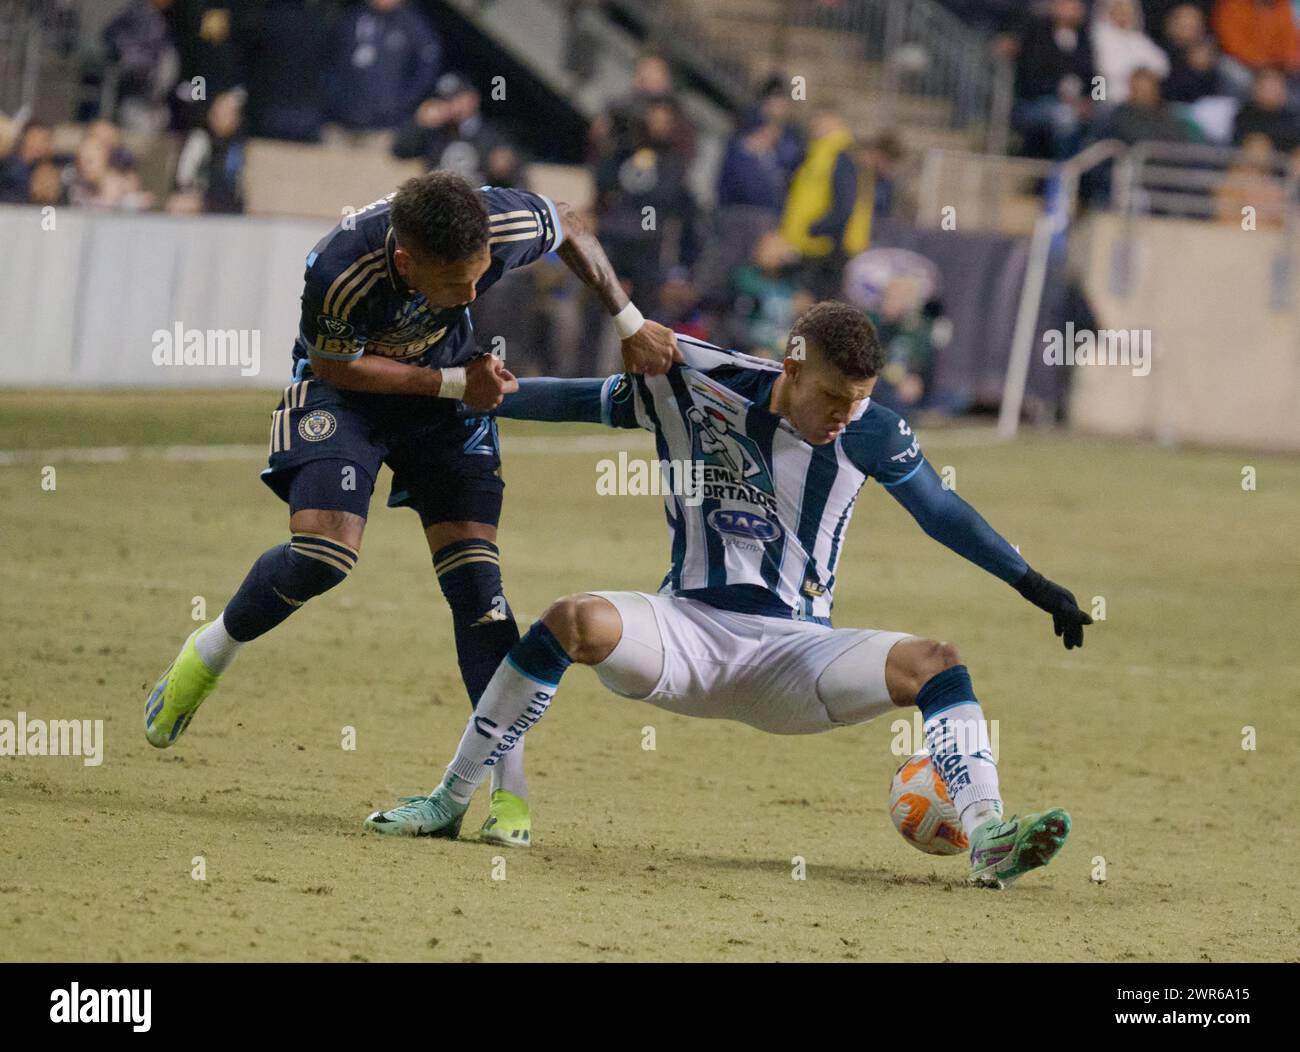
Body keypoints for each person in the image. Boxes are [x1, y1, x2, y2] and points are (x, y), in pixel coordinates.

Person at [364, 303, 1091, 891]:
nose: (845, 414)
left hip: (799, 659)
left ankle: (989, 834)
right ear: (792, 365)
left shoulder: (873, 431)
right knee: (573, 620)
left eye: (859, 400)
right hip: (681, 634)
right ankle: (449, 800)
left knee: (935, 662)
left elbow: (941, 512)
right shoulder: (691, 382)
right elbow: (583, 401)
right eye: (834, 397)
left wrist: (1034, 584)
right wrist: (466, 396)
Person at [143, 171, 678, 849]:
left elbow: (569, 222)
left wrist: (627, 322)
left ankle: (507, 791)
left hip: (449, 402)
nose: (472, 293)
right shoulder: (340, 271)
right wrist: (457, 381)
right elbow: (336, 366)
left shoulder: (499, 226)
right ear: (405, 261)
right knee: (322, 557)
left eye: (480, 276)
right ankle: (209, 651)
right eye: (456, 285)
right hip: (349, 397)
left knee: (479, 591)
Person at [324, 0, 441, 148]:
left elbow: (425, 73)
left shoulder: (415, 26)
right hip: (341, 121)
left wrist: (398, 104)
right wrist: (334, 97)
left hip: (385, 129)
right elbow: (330, 60)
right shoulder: (352, 18)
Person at [1012, 0, 1096, 159]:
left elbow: (1097, 75)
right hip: (1036, 102)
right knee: (1065, 119)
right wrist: (1065, 98)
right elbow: (1031, 76)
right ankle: (1060, 178)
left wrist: (1095, 99)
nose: (1072, 9)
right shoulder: (1037, 34)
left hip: (1078, 105)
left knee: (1101, 117)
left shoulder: (1086, 39)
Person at [1090, 0, 1170, 105]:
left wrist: (1141, 75)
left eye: (1128, 11)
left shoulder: (1138, 38)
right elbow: (1107, 67)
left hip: (1142, 102)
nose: (1124, 15)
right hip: (1110, 101)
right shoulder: (1099, 38)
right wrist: (1138, 70)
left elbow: (1163, 66)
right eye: (1119, 10)